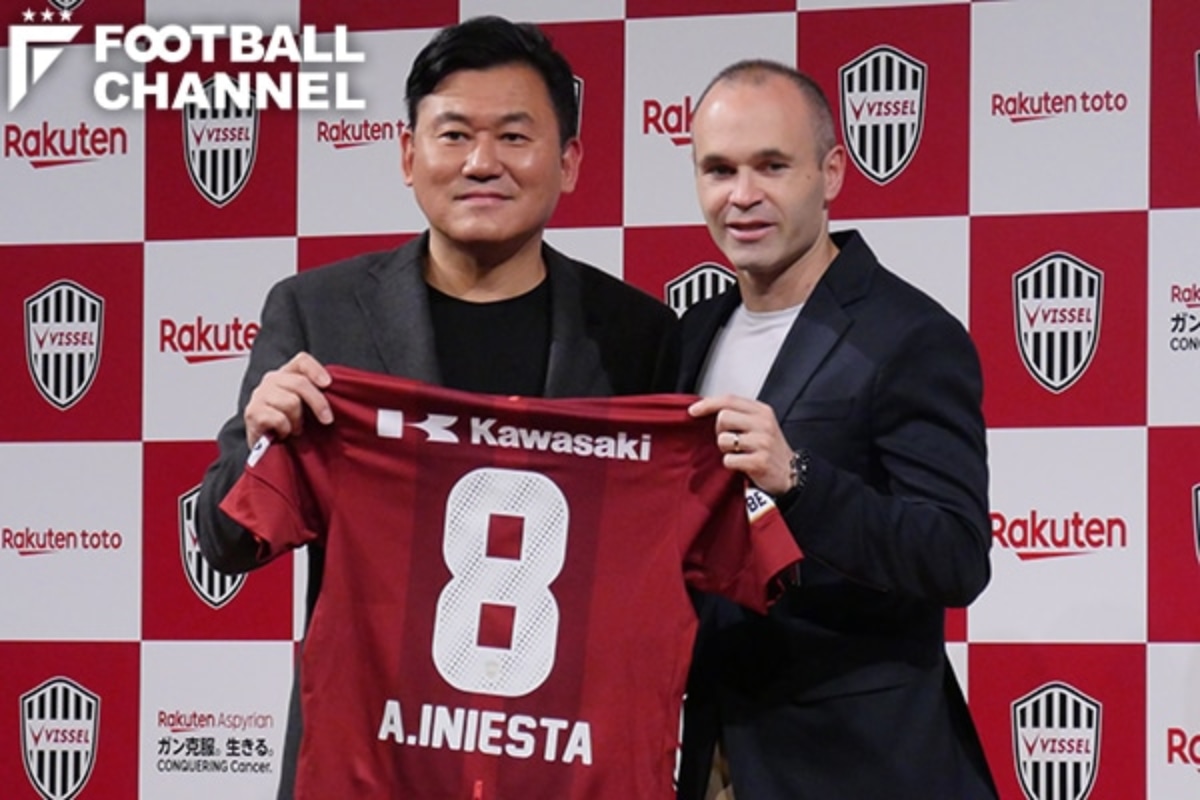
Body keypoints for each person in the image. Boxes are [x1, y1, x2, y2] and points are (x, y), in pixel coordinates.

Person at [194, 16, 677, 799]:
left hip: (558, 764)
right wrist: (260, 442)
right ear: (408, 155)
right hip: (369, 762)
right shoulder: (319, 313)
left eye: (514, 136)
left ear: (569, 162)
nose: (482, 163)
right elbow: (225, 544)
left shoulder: (639, 335)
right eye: (454, 135)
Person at [674, 60, 998, 799]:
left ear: (830, 174)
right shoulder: (690, 333)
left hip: (863, 766)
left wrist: (797, 480)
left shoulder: (910, 335)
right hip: (719, 757)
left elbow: (955, 557)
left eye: (772, 166)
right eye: (719, 170)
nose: (742, 195)